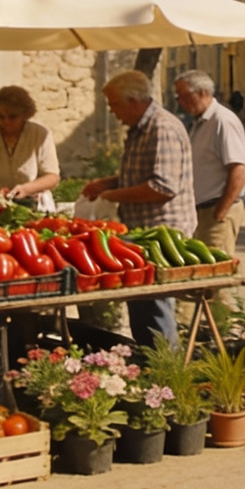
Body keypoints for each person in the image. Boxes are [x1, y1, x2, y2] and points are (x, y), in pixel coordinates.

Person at [82, 70, 194, 346]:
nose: (112, 112)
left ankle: (167, 369)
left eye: (114, 104)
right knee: (140, 304)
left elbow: (162, 187)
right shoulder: (139, 129)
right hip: (140, 232)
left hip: (162, 234)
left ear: (134, 101)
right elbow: (137, 176)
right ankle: (148, 367)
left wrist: (112, 194)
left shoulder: (161, 128)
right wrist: (105, 184)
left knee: (155, 307)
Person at [174, 69, 245, 256]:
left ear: (202, 93)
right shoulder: (200, 122)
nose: (180, 102)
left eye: (184, 96)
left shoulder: (222, 120)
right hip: (201, 210)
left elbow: (239, 170)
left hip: (216, 209)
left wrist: (220, 212)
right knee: (205, 268)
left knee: (216, 265)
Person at [0, 85, 61, 211]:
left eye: (12, 117)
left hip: (34, 206)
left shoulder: (40, 135)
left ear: (25, 114)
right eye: (1, 116)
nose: (6, 121)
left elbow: (52, 177)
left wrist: (26, 189)